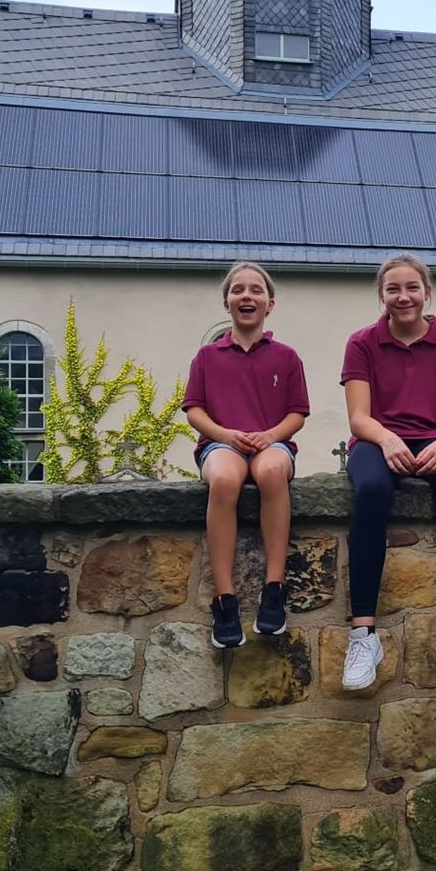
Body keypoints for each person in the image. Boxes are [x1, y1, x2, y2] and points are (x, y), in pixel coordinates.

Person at [340, 253, 436, 690]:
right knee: (372, 490)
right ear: (382, 295)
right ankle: (364, 635)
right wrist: (387, 439)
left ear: (427, 292)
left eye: (412, 288)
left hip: (434, 439)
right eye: (393, 289)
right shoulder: (362, 343)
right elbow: (359, 418)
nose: (403, 296)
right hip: (376, 441)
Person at [182, 262, 309, 650]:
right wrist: (226, 435)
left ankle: (274, 588)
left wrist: (269, 436)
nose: (247, 296)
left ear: (270, 303)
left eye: (256, 290)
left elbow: (297, 414)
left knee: (272, 472)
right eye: (238, 290)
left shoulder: (287, 357)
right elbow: (194, 410)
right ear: (227, 303)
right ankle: (225, 599)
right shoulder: (207, 356)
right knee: (223, 480)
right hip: (222, 444)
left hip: (272, 443)